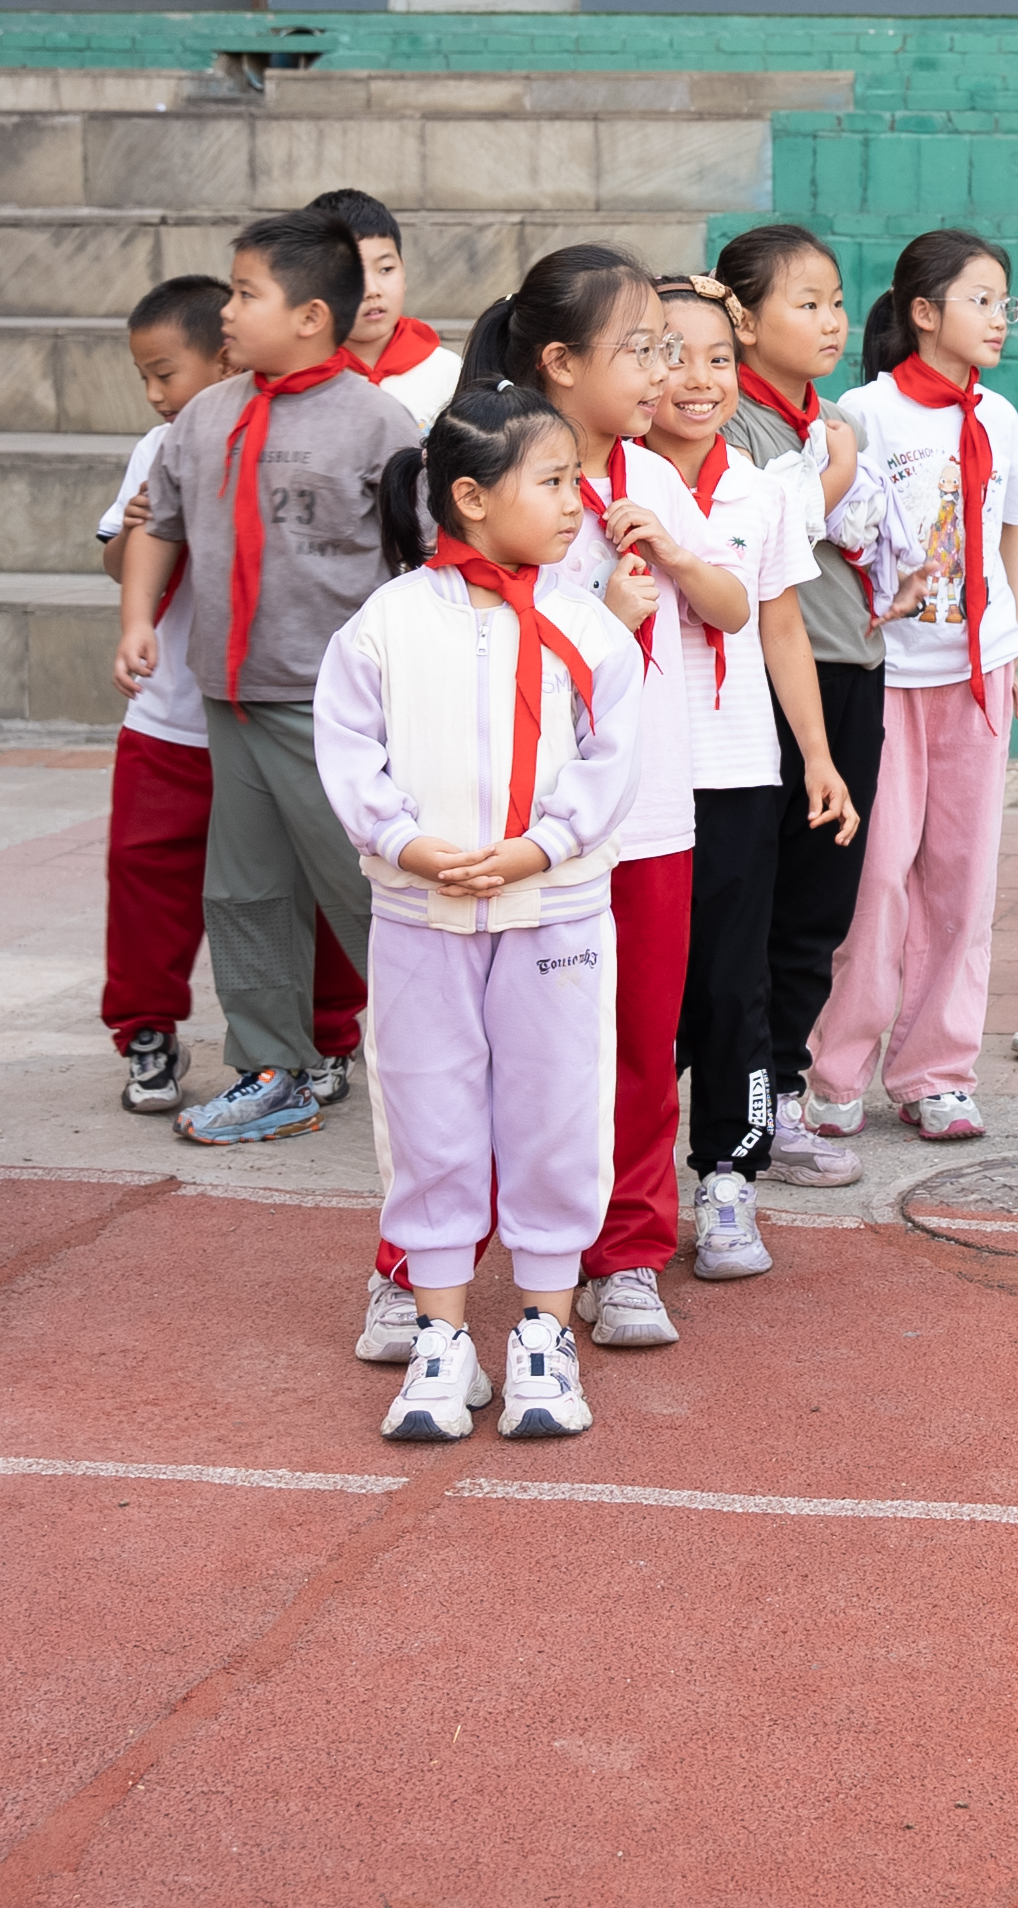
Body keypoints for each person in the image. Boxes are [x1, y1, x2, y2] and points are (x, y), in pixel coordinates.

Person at [315, 380, 641, 1442]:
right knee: (430, 1114)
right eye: (552, 482)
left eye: (575, 481)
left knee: (557, 1111)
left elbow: (613, 760)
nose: (575, 501)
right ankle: (442, 1335)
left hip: (556, 914)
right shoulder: (388, 624)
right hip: (421, 917)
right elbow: (348, 750)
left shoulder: (590, 629)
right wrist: (404, 843)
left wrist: (542, 848)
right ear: (469, 496)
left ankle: (543, 1331)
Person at [402, 244, 683, 1361]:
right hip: (503, 836)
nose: (664, 372)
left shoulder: (652, 482)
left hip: (640, 816)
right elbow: (474, 655)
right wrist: (608, 612)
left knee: (635, 1053)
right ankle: (419, 1271)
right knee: (462, 1065)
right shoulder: (493, 484)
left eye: (668, 349)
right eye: (641, 349)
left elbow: (723, 603)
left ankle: (626, 1253)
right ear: (561, 363)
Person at [115, 209, 424, 1147]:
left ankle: (443, 1058)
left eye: (246, 294)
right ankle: (271, 1069)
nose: (228, 312)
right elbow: (159, 523)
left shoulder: (377, 421)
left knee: (365, 889)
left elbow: (423, 555)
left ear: (311, 316)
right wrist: (138, 620)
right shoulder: (204, 416)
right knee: (245, 893)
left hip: (333, 703)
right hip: (232, 699)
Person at [95, 274, 365, 1116]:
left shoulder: (339, 430)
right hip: (174, 715)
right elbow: (124, 554)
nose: (155, 393)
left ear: (227, 360)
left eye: (165, 373)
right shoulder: (166, 443)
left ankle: (329, 1033)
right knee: (152, 881)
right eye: (144, 377)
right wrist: (140, 547)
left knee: (320, 878)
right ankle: (148, 1029)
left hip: (288, 709)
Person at [640, 272, 852, 1285]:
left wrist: (816, 756)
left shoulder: (760, 491)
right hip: (634, 781)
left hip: (735, 776)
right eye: (670, 356)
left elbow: (780, 629)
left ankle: (728, 1177)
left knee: (735, 985)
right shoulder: (605, 483)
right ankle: (621, 1192)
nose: (699, 378)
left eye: (719, 358)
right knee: (641, 995)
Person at [808, 229, 1018, 1145]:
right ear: (923, 312)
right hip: (889, 678)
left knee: (961, 882)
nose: (999, 318)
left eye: (1004, 302)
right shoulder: (862, 414)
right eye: (980, 300)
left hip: (977, 678)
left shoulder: (1001, 417)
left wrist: (1010, 645)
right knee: (876, 883)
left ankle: (937, 1073)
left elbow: (1014, 528)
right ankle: (835, 1069)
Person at [717, 222, 882, 1190]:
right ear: (743, 319)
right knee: (760, 905)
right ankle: (749, 1106)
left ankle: (782, 1092)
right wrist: (835, 476)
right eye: (806, 303)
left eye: (836, 302)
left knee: (821, 901)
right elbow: (760, 541)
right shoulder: (731, 418)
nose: (831, 321)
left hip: (852, 665)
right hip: (780, 677)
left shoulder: (831, 416)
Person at [311, 185, 464, 428]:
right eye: (350, 274)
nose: (372, 290)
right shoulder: (301, 375)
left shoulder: (448, 372)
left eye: (385, 269)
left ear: (403, 269)